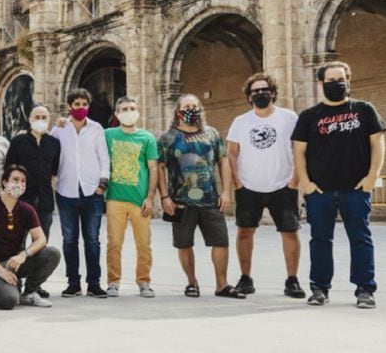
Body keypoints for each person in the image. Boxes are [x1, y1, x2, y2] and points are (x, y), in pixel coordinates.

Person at [292, 60, 386, 309]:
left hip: (355, 190)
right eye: (331, 80)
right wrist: (306, 184)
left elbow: (378, 145)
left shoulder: (364, 109)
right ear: (321, 83)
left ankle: (365, 289)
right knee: (320, 240)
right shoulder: (309, 116)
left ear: (349, 79)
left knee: (361, 239)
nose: (337, 84)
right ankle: (319, 288)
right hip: (320, 192)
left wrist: (371, 178)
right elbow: (299, 152)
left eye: (341, 78)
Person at [157, 94, 244, 299]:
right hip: (180, 202)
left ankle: (222, 285)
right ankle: (191, 283)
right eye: (187, 106)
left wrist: (225, 192)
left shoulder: (211, 134)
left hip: (210, 200)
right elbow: (160, 168)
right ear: (178, 111)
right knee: (184, 243)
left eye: (195, 106)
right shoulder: (167, 138)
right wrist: (164, 197)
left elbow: (223, 162)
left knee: (220, 241)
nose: (191, 110)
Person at [227, 73, 304, 299]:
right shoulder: (240, 122)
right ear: (249, 97)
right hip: (249, 187)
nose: (260, 94)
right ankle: (245, 278)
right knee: (244, 232)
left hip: (283, 186)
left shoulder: (289, 118)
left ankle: (292, 280)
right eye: (255, 91)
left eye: (264, 90)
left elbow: (300, 149)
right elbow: (231, 153)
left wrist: (294, 181)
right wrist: (238, 183)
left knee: (289, 232)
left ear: (272, 93)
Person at [52, 88, 111, 298]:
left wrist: (102, 185)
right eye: (76, 104)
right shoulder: (60, 129)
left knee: (92, 239)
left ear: (89, 106)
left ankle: (94, 283)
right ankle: (73, 283)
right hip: (66, 191)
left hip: (91, 191)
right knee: (69, 239)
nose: (80, 108)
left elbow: (104, 158)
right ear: (70, 106)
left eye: (84, 104)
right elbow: (49, 152)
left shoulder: (96, 129)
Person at [0, 165, 60, 309]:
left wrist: (24, 254)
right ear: (4, 182)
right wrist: (0, 270)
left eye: (23, 181)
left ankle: (29, 292)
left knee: (52, 253)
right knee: (9, 301)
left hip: (14, 262)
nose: (19, 184)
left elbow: (41, 239)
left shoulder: (27, 209)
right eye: (15, 180)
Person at [104, 96, 158, 298]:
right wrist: (62, 123)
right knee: (114, 243)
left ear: (138, 111)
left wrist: (151, 197)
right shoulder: (108, 134)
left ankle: (144, 281)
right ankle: (113, 282)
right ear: (117, 114)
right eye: (124, 109)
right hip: (115, 199)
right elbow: (86, 133)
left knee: (143, 243)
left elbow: (153, 169)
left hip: (139, 200)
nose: (129, 111)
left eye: (132, 108)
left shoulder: (147, 138)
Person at [3, 105, 60, 299]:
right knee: (16, 241)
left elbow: (54, 170)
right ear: (29, 118)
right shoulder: (18, 141)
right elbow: (9, 167)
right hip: (21, 200)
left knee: (41, 242)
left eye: (44, 116)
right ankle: (14, 280)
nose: (41, 119)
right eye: (37, 116)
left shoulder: (53, 143)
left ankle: (35, 284)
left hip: (44, 199)